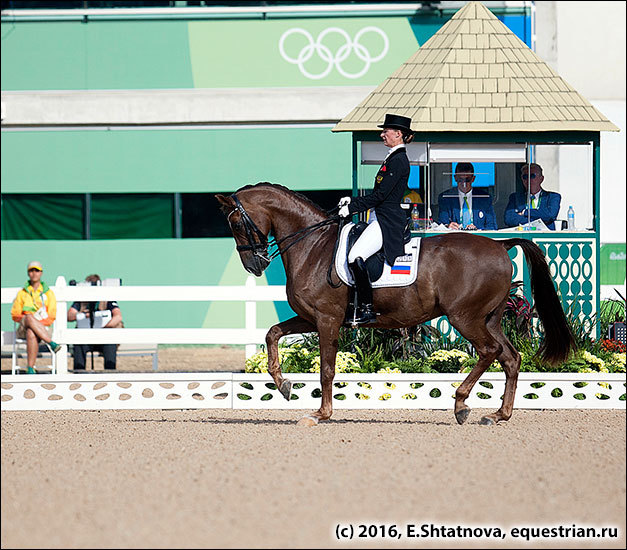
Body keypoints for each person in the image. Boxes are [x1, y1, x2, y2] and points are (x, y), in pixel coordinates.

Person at [337, 113, 413, 325]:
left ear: (398, 134)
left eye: (385, 131)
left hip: (386, 221)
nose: (382, 134)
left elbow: (380, 196)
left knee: (355, 256)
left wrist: (352, 207)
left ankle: (366, 307)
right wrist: (350, 200)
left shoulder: (399, 160)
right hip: (378, 217)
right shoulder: (392, 157)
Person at [10, 261, 60, 374]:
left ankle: (30, 368)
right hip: (24, 327)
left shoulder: (48, 293)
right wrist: (30, 319)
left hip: (43, 328)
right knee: (28, 317)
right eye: (31, 270)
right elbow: (15, 314)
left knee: (31, 332)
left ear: (41, 273)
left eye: (36, 270)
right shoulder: (22, 293)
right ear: (28, 273)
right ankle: (51, 343)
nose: (34, 273)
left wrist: (35, 323)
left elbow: (51, 316)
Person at [67, 274, 123, 371]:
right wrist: (83, 315)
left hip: (104, 337)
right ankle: (79, 374)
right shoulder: (81, 300)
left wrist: (103, 325)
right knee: (78, 345)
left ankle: (110, 375)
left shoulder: (107, 299)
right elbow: (69, 316)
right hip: (85, 338)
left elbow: (118, 316)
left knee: (110, 344)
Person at [437, 162, 497, 230]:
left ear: (473, 179)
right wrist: (448, 226)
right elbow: (440, 225)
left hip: (477, 239)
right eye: (460, 180)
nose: (464, 183)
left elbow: (492, 227)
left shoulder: (485, 198)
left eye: (467, 180)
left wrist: (477, 230)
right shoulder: (445, 198)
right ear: (455, 178)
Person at [504, 163, 561, 230]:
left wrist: (525, 212)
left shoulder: (552, 197)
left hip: (544, 237)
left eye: (532, 176)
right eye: (525, 177)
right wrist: (538, 221)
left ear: (541, 179)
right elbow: (509, 219)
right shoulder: (515, 197)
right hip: (522, 237)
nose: (528, 180)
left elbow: (550, 215)